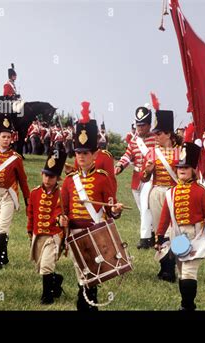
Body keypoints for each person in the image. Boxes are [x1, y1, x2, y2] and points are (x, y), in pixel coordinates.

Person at [61, 104, 123, 311]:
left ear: (94, 155)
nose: (81, 157)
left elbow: (111, 208)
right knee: (81, 270)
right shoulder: (69, 181)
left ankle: (87, 304)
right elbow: (63, 209)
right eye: (78, 153)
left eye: (86, 153)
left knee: (93, 271)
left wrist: (116, 210)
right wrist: (60, 221)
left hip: (95, 230)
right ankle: (86, 303)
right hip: (76, 232)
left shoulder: (103, 179)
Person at [155, 142, 205, 311]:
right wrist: (159, 236)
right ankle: (189, 304)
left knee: (188, 272)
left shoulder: (200, 191)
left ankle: (186, 306)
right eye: (179, 167)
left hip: (195, 235)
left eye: (186, 167)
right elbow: (165, 217)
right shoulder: (171, 192)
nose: (182, 170)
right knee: (181, 271)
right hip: (177, 235)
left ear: (193, 169)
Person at [0, 113, 30, 269]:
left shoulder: (16, 158)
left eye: (8, 137)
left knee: (2, 228)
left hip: (8, 195)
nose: (6, 139)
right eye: (3, 136)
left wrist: (27, 200)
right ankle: (5, 257)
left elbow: (23, 181)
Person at [141, 108, 180, 282]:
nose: (156, 137)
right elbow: (144, 177)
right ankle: (165, 267)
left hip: (173, 193)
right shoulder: (152, 152)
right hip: (157, 192)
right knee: (161, 231)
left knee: (174, 232)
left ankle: (172, 266)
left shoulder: (181, 152)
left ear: (169, 134)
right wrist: (147, 171)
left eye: (159, 134)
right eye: (155, 134)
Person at [27, 142, 67, 304]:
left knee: (46, 265)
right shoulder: (35, 193)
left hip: (53, 235)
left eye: (51, 176)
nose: (47, 179)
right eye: (45, 175)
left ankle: (47, 296)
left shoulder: (61, 194)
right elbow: (30, 214)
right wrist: (30, 231)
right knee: (40, 266)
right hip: (38, 234)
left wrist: (60, 220)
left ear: (57, 178)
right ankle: (56, 281)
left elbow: (59, 212)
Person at [116, 107, 156, 249]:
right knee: (143, 210)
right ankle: (153, 234)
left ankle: (144, 239)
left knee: (145, 207)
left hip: (150, 177)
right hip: (137, 178)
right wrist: (120, 166)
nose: (139, 128)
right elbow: (128, 155)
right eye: (138, 125)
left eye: (142, 125)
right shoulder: (134, 141)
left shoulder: (155, 139)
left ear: (149, 125)